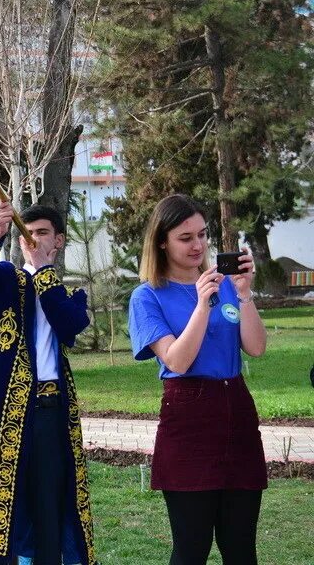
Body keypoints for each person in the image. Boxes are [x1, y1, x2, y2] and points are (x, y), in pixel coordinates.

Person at [127, 194, 267, 565]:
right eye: (185, 237)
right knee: (191, 549)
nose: (198, 245)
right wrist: (202, 306)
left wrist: (244, 293)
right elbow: (178, 360)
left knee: (241, 548)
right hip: (187, 414)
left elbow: (255, 348)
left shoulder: (224, 285)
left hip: (235, 409)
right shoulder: (147, 296)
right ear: (162, 241)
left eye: (203, 235)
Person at [0, 201, 95, 565]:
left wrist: (44, 272)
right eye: (28, 234)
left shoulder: (70, 295)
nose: (33, 240)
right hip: (6, 415)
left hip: (51, 414)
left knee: (50, 507)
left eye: (42, 233)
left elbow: (68, 325)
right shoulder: (3, 281)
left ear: (58, 241)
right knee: (1, 506)